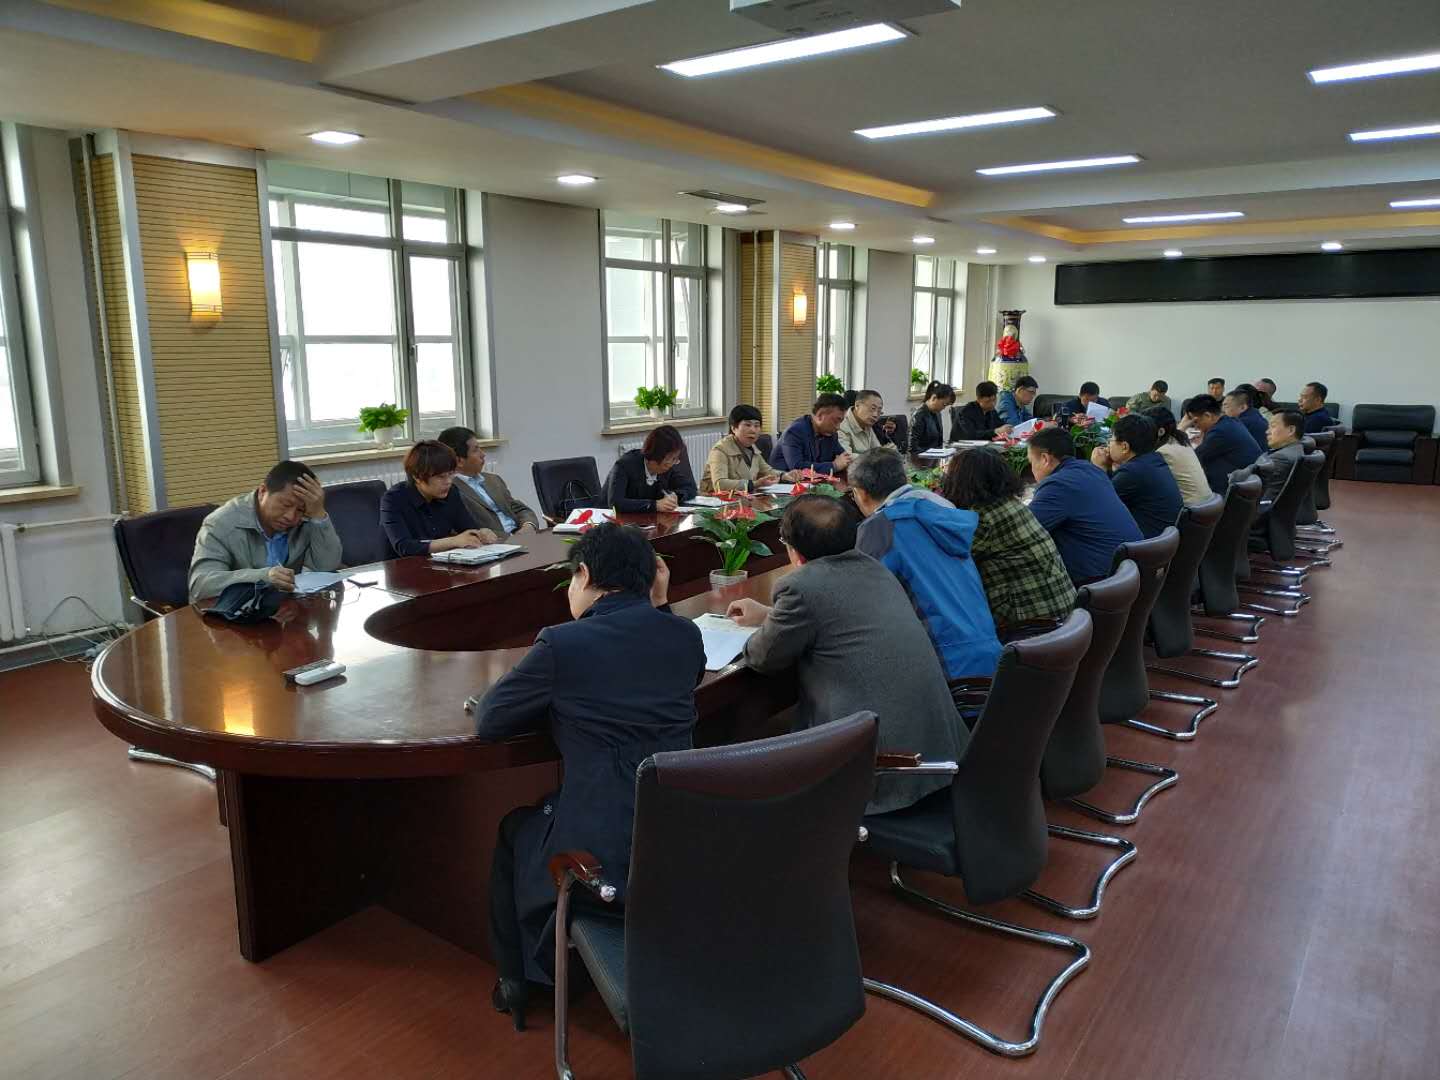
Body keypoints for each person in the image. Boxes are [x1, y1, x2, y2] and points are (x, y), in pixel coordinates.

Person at [475, 523, 704, 1029]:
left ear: (582, 574)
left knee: (516, 827)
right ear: (652, 578)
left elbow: (490, 719)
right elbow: (686, 675)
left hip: (604, 857)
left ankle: (518, 979)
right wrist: (660, 605)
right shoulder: (685, 634)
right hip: (679, 833)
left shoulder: (563, 643)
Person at [725, 495, 967, 815]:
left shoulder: (800, 586)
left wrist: (748, 633)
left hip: (880, 769)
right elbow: (839, 614)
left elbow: (763, 657)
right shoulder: (875, 569)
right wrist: (770, 615)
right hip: (938, 753)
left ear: (794, 551)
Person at [849, 450, 1002, 679]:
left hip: (943, 666)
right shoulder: (941, 511)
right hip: (991, 656)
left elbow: (861, 601)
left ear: (860, 493)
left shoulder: (881, 527)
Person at [940, 449, 1076, 634]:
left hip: (1031, 627)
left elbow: (946, 561)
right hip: (1062, 616)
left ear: (962, 482)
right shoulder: (1012, 504)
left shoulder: (983, 519)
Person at [189, 460, 342, 601]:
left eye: (300, 509)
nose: (290, 516)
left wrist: (318, 514)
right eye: (285, 505)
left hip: (285, 610)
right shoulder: (221, 524)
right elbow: (201, 586)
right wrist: (263, 577)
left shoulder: (305, 519)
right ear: (262, 491)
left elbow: (327, 566)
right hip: (236, 615)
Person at [1026, 426, 1143, 584]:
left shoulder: (1058, 485)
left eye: (1031, 462)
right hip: (1131, 572)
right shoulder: (1091, 470)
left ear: (1045, 459)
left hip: (1104, 582)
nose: (1032, 469)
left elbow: (1023, 533)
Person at [380, 441, 497, 557]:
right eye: (441, 477)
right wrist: (454, 541)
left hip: (440, 561)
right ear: (417, 477)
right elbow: (404, 547)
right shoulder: (393, 499)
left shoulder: (451, 492)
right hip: (402, 565)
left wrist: (481, 533)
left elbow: (468, 529)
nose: (448, 482)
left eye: (451, 474)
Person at [1089, 414, 1183, 538]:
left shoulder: (1132, 472)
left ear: (1124, 447)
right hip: (1164, 541)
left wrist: (1097, 468)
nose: (1108, 445)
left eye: (1111, 439)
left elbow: (1096, 504)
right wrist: (1107, 468)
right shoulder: (1154, 460)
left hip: (1144, 544)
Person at [437, 426, 539, 536]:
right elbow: (464, 531)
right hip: (496, 542)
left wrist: (528, 526)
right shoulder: (449, 490)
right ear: (458, 461)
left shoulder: (493, 480)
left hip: (523, 536)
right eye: (476, 450)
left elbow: (519, 509)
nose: (483, 454)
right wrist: (512, 538)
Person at [603, 424, 698, 513]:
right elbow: (615, 503)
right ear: (657, 455)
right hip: (610, 520)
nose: (673, 463)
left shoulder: (667, 468)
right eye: (671, 458)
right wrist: (654, 505)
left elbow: (690, 487)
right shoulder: (624, 465)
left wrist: (676, 496)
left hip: (648, 520)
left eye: (675, 459)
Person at [704, 404, 795, 493]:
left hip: (743, 498)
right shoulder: (720, 450)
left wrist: (784, 475)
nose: (753, 430)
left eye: (756, 426)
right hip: (714, 500)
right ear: (733, 428)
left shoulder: (752, 448)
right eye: (747, 425)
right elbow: (720, 484)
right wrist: (755, 484)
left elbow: (767, 471)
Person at [1184, 394, 1262, 494]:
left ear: (1208, 416)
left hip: (1229, 491)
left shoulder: (1219, 432)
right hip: (1244, 485)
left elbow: (1192, 460)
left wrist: (1180, 428)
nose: (1195, 427)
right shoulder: (1230, 421)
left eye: (1196, 422)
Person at [1229, 410, 1306, 504]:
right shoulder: (1296, 449)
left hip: (1265, 508)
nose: (1267, 432)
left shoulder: (1281, 458)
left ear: (1291, 430)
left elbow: (1240, 480)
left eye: (1273, 426)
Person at [1145, 406, 1212, 506]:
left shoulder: (1163, 451)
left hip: (1189, 508)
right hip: (1205, 504)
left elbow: (1146, 479)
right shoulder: (1181, 442)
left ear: (1160, 431)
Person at [774, 393, 853, 474]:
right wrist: (834, 465)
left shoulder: (831, 434)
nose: (838, 427)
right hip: (783, 480)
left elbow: (844, 457)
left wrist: (845, 463)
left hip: (817, 480)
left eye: (841, 422)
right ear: (820, 416)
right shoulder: (795, 431)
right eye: (836, 421)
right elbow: (797, 467)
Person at [837, 389, 900, 456]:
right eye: (872, 408)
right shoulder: (840, 425)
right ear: (857, 405)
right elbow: (846, 458)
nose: (875, 415)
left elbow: (876, 449)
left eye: (879, 411)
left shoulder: (867, 423)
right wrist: (880, 455)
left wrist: (886, 451)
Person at [908, 380, 957, 453]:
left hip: (936, 455)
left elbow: (938, 442)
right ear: (934, 398)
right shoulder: (918, 415)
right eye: (944, 404)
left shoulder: (937, 413)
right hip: (922, 458)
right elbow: (912, 447)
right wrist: (933, 452)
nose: (944, 408)